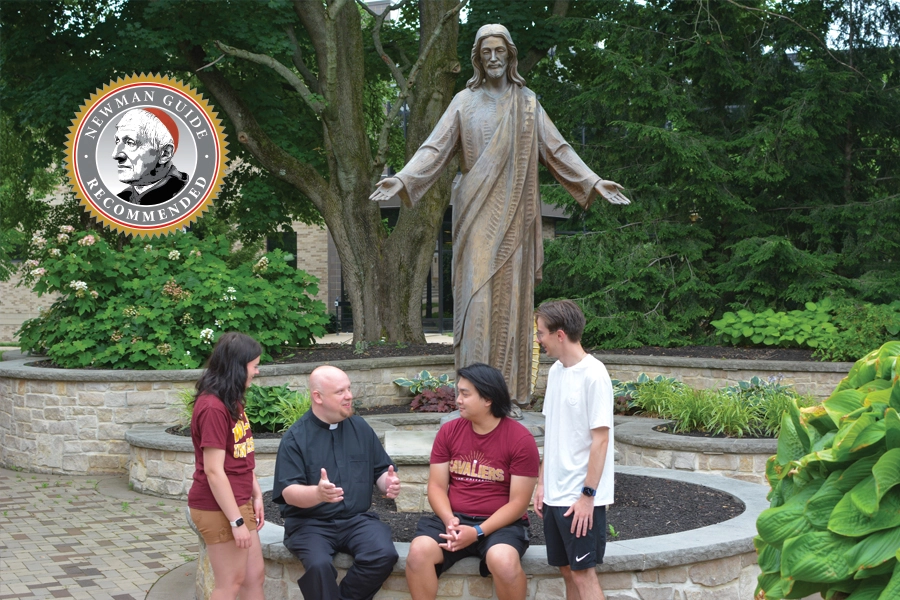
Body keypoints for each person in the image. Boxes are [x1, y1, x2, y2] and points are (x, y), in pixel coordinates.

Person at [370, 23, 630, 409]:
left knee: (511, 302)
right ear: (478, 58)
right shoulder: (463, 102)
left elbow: (557, 149)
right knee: (476, 300)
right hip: (476, 213)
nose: (493, 58)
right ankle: (474, 395)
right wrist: (403, 179)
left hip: (516, 217)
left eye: (500, 51)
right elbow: (434, 148)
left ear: (510, 56)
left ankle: (508, 395)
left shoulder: (527, 103)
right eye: (486, 52)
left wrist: (592, 182)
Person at [405, 363, 540, 600]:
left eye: (465, 394)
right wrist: (450, 520)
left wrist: (477, 531)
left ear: (488, 399)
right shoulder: (449, 431)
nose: (458, 400)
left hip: (500, 525)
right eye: (459, 392)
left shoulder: (520, 439)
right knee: (418, 553)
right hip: (453, 519)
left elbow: (518, 503)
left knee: (504, 562)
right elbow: (436, 486)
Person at [272, 365, 402, 600]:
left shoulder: (361, 428)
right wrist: (317, 494)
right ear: (318, 397)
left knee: (383, 554)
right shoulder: (295, 438)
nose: (349, 396)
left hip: (357, 520)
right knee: (319, 566)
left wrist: (387, 482)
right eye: (340, 391)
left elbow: (381, 470)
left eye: (349, 389)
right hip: (309, 524)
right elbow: (288, 491)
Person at [533, 300, 614, 600]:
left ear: (560, 334)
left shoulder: (595, 374)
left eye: (541, 333)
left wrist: (587, 497)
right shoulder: (556, 372)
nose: (538, 340)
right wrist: (542, 484)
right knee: (567, 571)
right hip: (555, 494)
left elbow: (601, 441)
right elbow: (552, 434)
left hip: (580, 499)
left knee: (583, 574)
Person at [187, 332, 265, 600]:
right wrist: (237, 521)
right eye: (253, 365)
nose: (257, 371)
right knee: (230, 584)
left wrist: (255, 493)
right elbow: (213, 470)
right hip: (217, 507)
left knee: (254, 577)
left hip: (238, 501)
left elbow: (242, 453)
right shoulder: (212, 407)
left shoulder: (232, 401)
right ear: (237, 366)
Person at [111, 108, 188, 205]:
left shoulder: (183, 196)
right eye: (117, 141)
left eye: (130, 143)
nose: (115, 155)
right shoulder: (122, 199)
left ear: (165, 154)